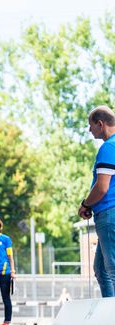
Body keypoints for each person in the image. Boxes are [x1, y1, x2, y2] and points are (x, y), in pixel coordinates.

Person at [79, 105, 115, 297]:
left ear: (100, 124)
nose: (89, 130)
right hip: (108, 213)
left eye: (90, 125)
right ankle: (110, 318)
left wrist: (86, 204)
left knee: (112, 270)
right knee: (101, 270)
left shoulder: (108, 147)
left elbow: (102, 188)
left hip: (109, 213)